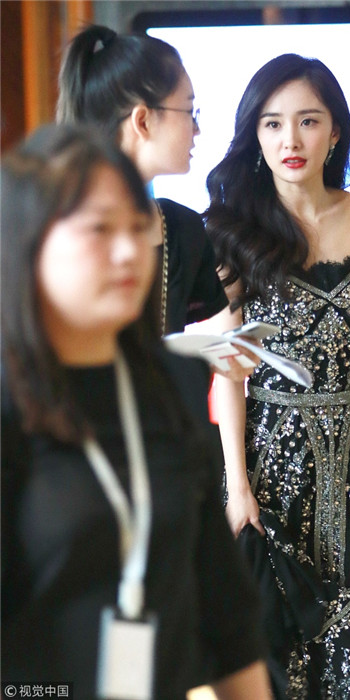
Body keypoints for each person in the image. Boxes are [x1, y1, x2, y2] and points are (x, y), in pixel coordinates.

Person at [1, 124, 271, 700]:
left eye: (136, 226)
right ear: (29, 242)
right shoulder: (11, 404)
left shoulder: (172, 383)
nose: (129, 251)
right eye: (99, 229)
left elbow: (226, 615)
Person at [205, 54, 350, 699]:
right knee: (286, 666)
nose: (290, 140)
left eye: (308, 120)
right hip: (274, 472)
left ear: (335, 131)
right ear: (255, 136)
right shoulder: (233, 231)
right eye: (272, 124)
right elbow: (229, 372)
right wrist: (236, 486)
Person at [56, 24, 256, 379]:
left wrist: (221, 358)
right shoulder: (54, 227)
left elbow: (205, 356)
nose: (197, 129)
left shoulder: (182, 229)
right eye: (189, 111)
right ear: (143, 120)